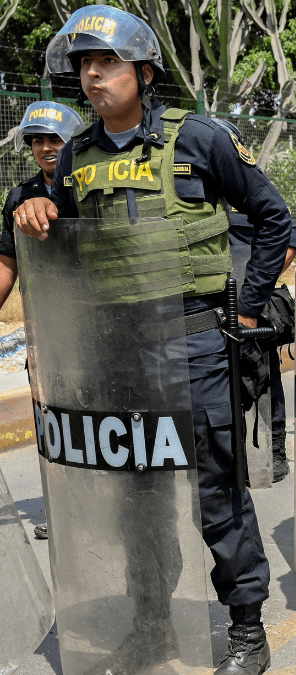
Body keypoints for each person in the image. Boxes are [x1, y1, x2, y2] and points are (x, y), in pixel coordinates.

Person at [14, 7, 293, 674]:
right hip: (119, 356)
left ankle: (247, 628)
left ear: (143, 71)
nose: (91, 76)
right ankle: (151, 621)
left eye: (104, 63)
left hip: (194, 344)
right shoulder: (75, 157)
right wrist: (39, 209)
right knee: (136, 500)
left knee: (216, 493)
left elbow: (273, 217)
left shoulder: (200, 138)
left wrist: (247, 310)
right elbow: (68, 249)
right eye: (83, 66)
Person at [1, 100, 86, 540]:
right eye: (36, 140)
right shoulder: (19, 197)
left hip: (95, 324)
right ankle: (63, 505)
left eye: (53, 139)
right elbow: (7, 263)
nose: (45, 147)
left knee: (99, 415)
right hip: (46, 330)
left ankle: (112, 501)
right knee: (52, 416)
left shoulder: (93, 186)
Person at [212, 117, 296, 484]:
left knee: (263, 378)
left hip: (250, 304)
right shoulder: (189, 192)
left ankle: (273, 452)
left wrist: (256, 288)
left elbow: (290, 236)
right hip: (207, 305)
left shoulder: (249, 186)